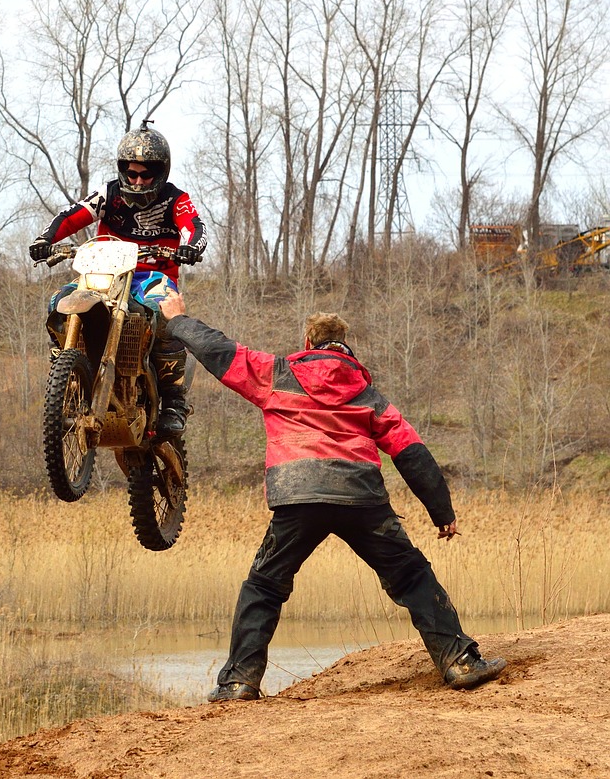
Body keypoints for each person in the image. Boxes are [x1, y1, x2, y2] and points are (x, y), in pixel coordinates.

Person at [157, 292, 506, 700]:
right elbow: (412, 453)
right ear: (347, 347)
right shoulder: (368, 395)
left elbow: (218, 350)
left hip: (298, 495)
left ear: (308, 343)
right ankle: (459, 662)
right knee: (411, 576)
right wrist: (441, 512)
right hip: (362, 498)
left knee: (265, 586)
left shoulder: (277, 374)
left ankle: (239, 681)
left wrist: (178, 321)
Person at [29, 120, 207, 436]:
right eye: (132, 172)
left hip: (151, 277)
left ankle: (174, 403)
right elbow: (73, 216)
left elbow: (194, 226)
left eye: (145, 174)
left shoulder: (175, 199)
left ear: (161, 171)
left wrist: (191, 248)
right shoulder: (109, 193)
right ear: (122, 169)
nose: (137, 181)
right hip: (104, 274)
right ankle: (66, 368)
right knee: (57, 302)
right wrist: (45, 240)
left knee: (165, 314)